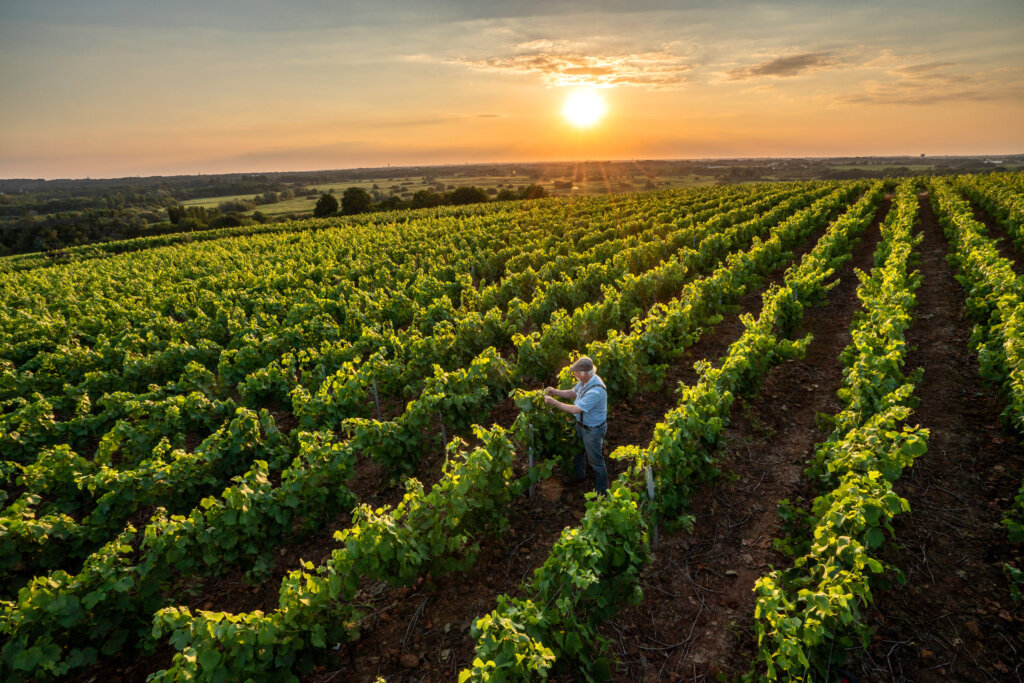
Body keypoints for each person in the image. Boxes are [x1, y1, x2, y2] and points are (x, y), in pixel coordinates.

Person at [543, 356, 608, 493]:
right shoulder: (585, 381)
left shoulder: (595, 391)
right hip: (581, 425)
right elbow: (572, 393)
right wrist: (555, 392)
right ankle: (579, 476)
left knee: (596, 461)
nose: (574, 374)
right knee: (578, 451)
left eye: (576, 372)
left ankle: (602, 492)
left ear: (585, 373)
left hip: (593, 430)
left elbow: (575, 409)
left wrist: (554, 402)